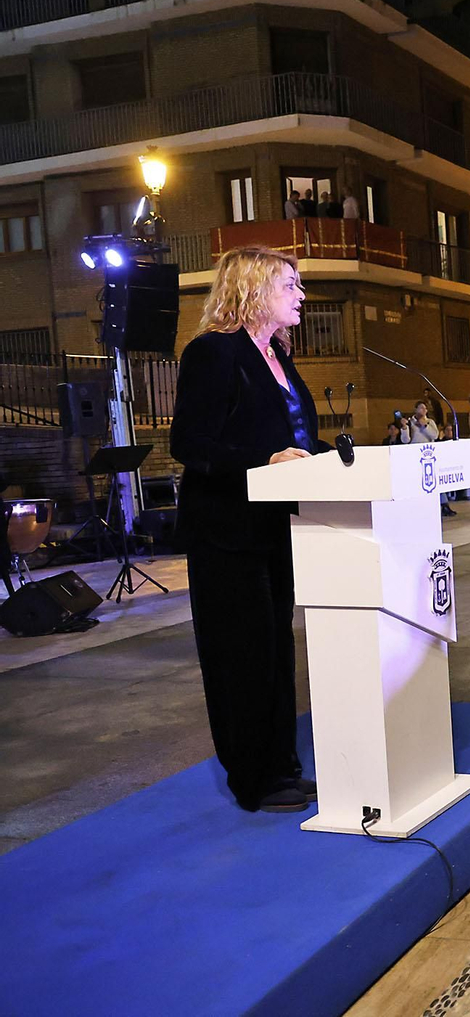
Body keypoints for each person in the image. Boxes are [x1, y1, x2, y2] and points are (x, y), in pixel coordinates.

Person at [169, 246, 326, 814]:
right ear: (255, 289)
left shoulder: (279, 358)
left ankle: (281, 764)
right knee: (242, 656)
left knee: (276, 650)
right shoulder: (214, 353)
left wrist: (332, 460)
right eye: (291, 284)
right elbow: (189, 444)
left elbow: (295, 438)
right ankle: (253, 779)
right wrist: (267, 460)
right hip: (226, 531)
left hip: (274, 527)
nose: (301, 295)